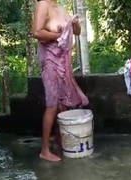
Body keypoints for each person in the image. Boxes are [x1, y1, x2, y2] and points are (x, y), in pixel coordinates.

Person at [32, 0, 89, 162]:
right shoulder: (43, 4)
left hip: (63, 60)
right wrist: (60, 36)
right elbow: (37, 32)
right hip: (50, 59)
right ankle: (45, 149)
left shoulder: (60, 7)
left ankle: (60, 142)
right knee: (52, 104)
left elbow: (76, 32)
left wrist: (75, 24)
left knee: (63, 102)